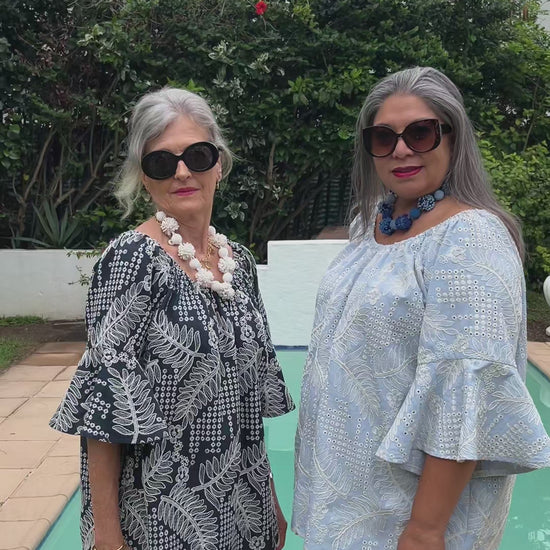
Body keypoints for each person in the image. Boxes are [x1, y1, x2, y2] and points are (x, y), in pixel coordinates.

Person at [292, 66, 550, 550]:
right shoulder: (370, 226)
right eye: (383, 137)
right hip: (351, 502)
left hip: (407, 520)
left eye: (420, 132)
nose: (401, 149)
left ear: (453, 138)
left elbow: (466, 390)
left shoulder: (470, 238)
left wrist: (426, 531)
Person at [50, 87, 294, 550]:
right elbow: (105, 406)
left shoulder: (238, 265)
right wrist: (107, 536)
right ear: (144, 177)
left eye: (197, 156)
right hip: (164, 518)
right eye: (162, 162)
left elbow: (246, 410)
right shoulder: (132, 260)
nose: (182, 172)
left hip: (245, 511)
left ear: (218, 163)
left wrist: (271, 502)